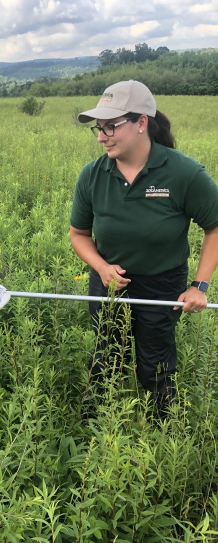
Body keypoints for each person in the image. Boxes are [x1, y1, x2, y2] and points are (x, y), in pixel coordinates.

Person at [69, 80, 218, 412]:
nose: (101, 135)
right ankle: (100, 425)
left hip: (162, 284)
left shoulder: (184, 173)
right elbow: (78, 234)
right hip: (108, 283)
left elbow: (215, 228)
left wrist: (199, 285)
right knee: (107, 358)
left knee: (156, 363)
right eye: (98, 127)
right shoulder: (92, 175)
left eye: (111, 126)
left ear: (141, 123)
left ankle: (161, 427)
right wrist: (101, 266)